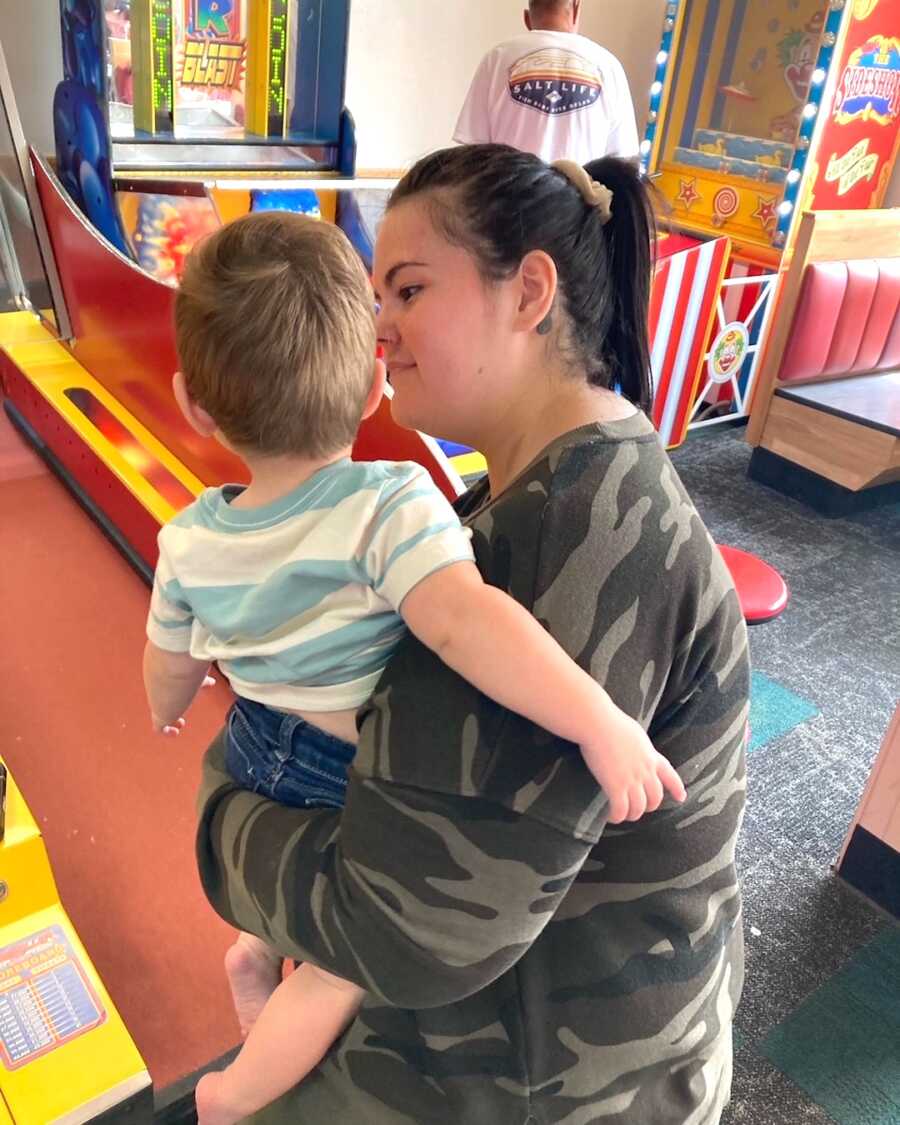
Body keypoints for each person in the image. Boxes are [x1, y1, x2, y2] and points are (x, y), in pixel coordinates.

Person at [192, 147, 749, 1124]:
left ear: (530, 291)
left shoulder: (572, 535)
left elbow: (410, 930)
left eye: (407, 290)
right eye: (375, 299)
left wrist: (218, 823)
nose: (381, 333)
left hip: (556, 1075)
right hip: (528, 1013)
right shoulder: (538, 488)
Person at [454, 0, 639, 164]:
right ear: (576, 6)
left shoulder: (496, 58)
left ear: (527, 18)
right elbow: (622, 159)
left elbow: (472, 153)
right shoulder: (609, 66)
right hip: (577, 200)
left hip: (508, 200)